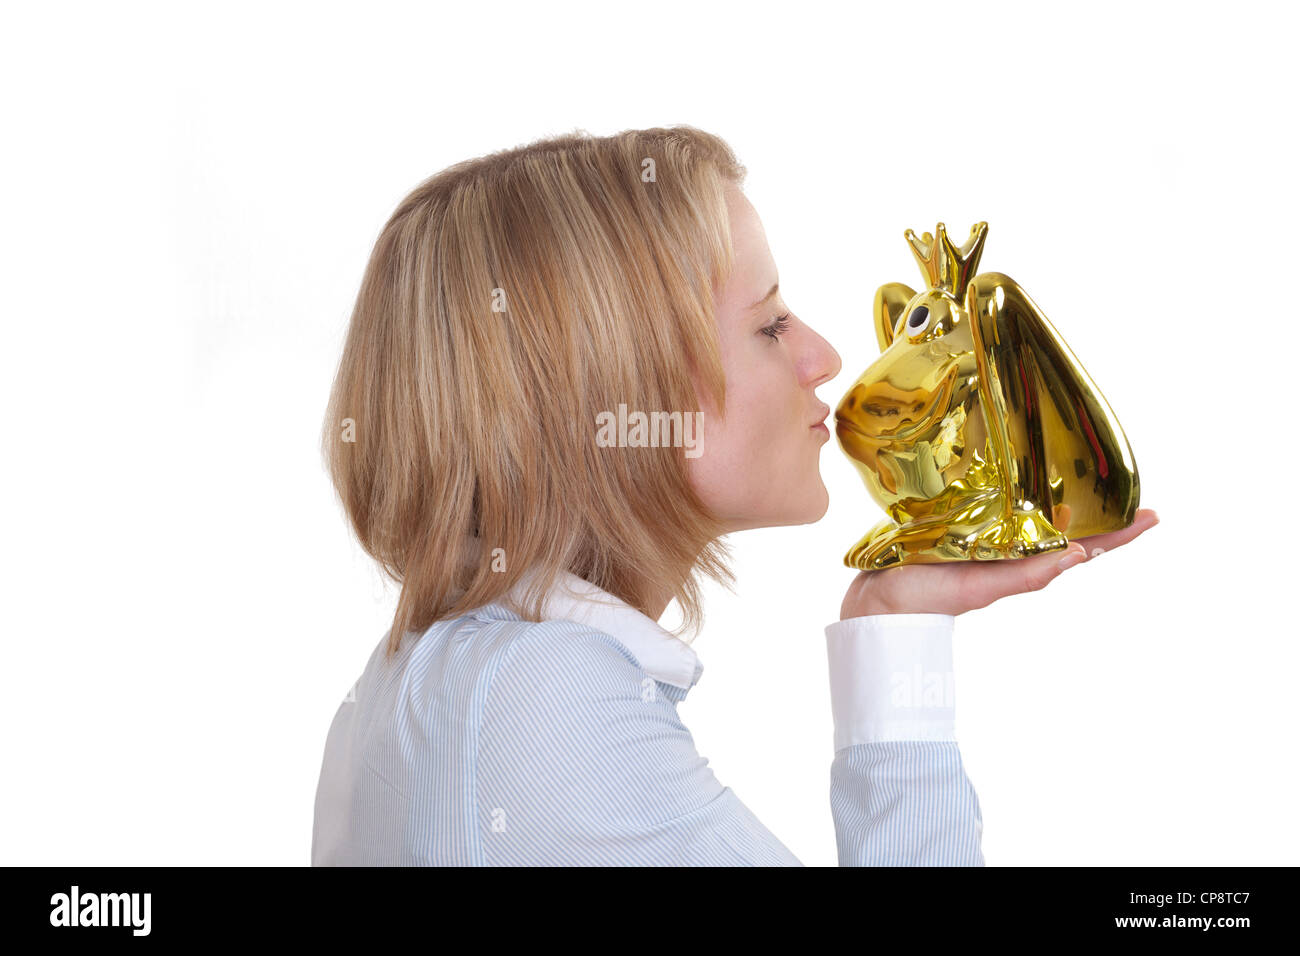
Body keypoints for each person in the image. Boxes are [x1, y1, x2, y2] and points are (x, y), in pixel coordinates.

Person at [311, 126, 1158, 866]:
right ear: (618, 386)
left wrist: (895, 625)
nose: (825, 357)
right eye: (770, 324)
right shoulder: (543, 702)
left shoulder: (410, 682)